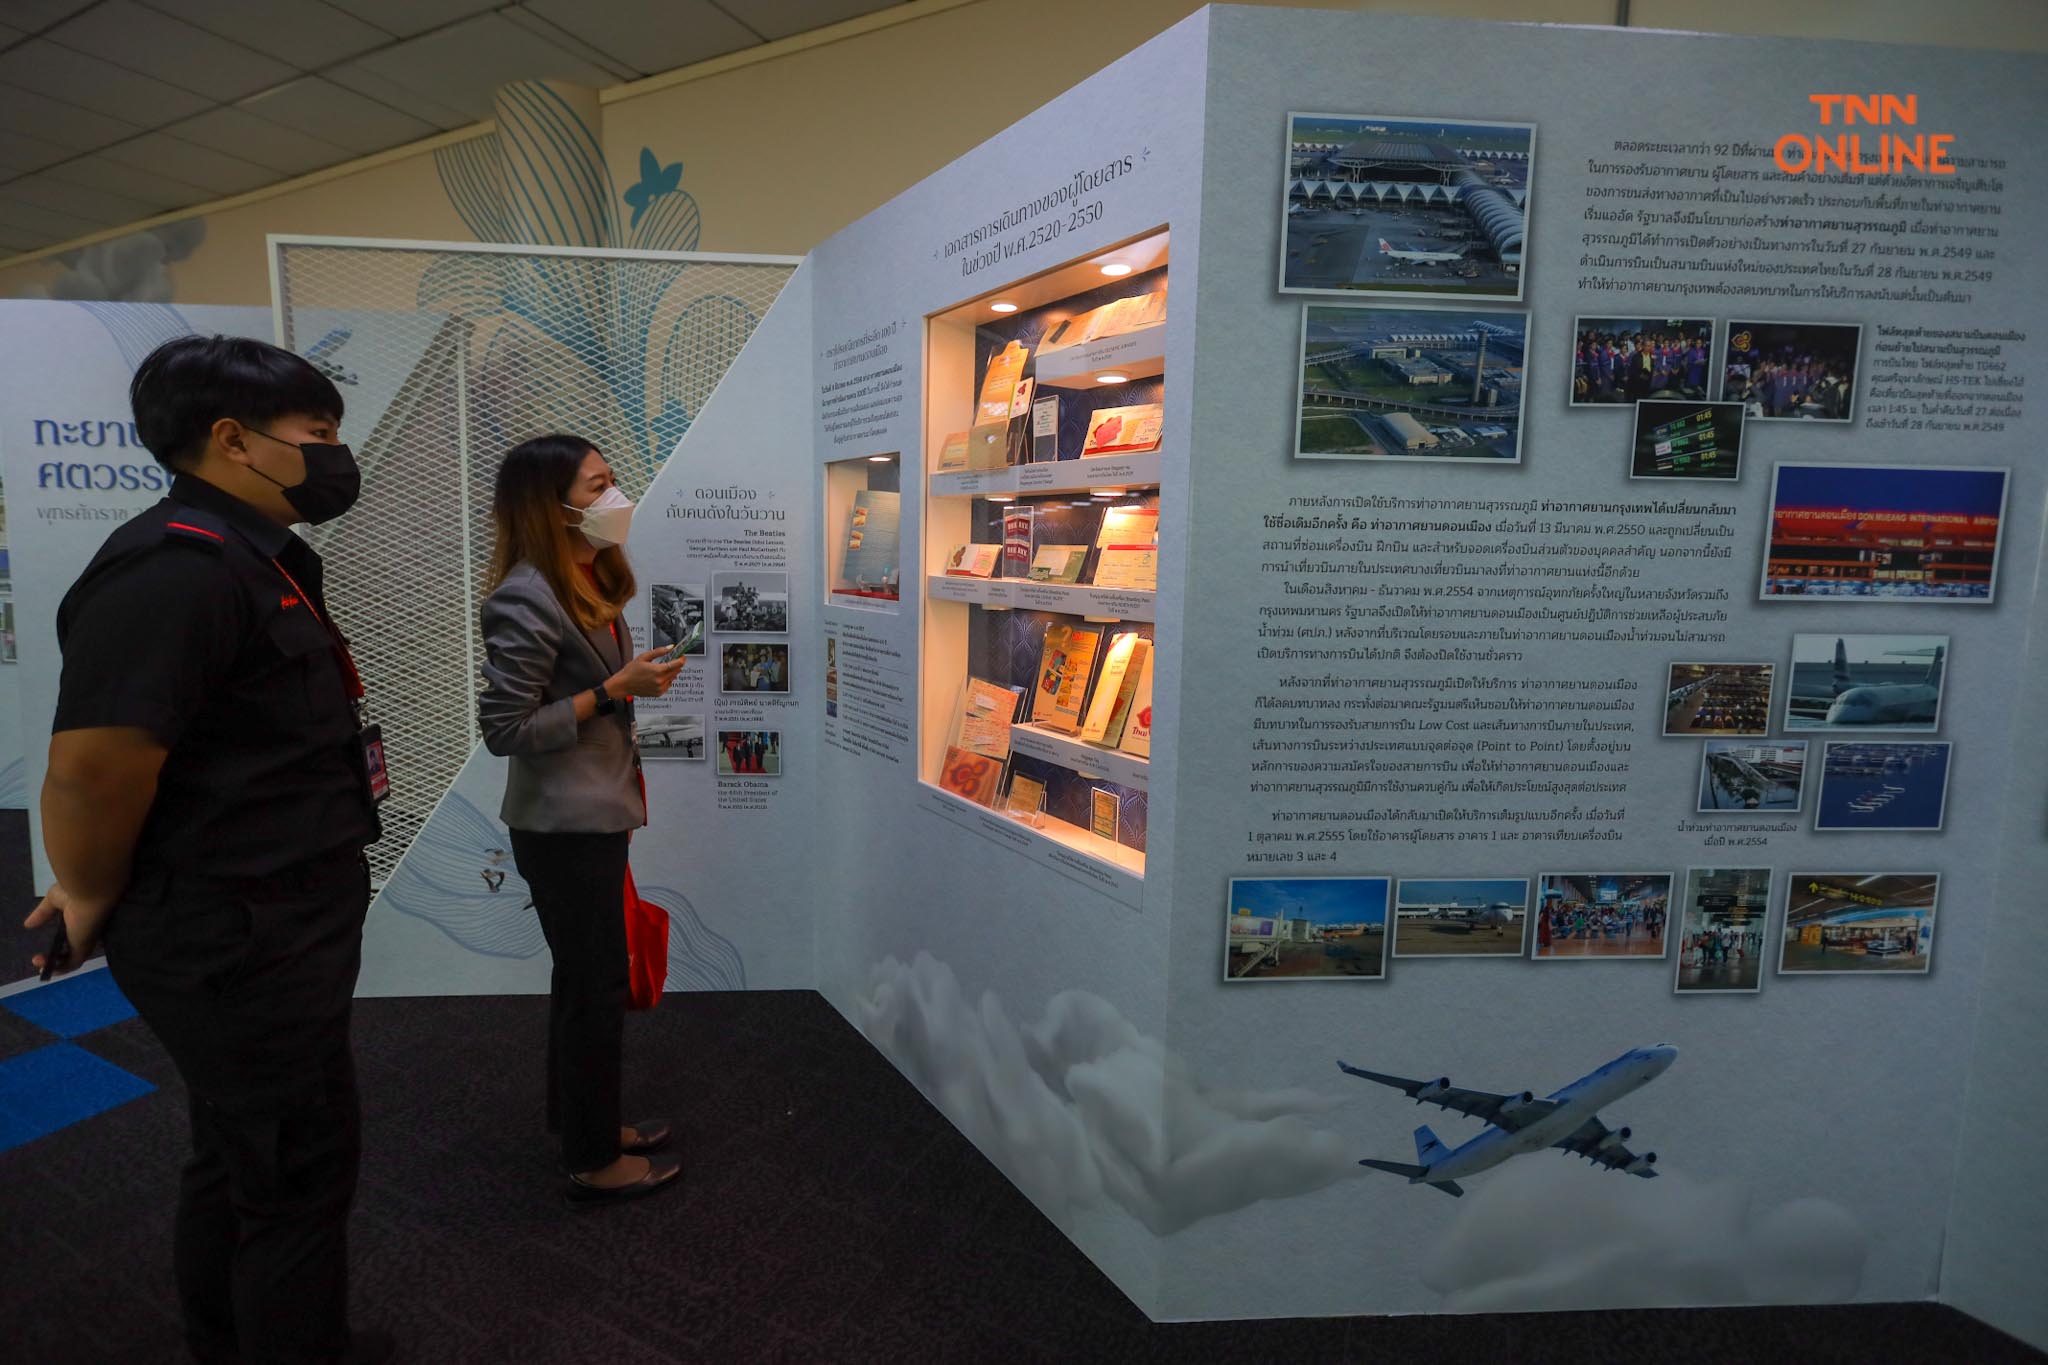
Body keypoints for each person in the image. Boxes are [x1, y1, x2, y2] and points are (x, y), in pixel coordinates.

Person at [24, 336, 391, 1363]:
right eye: (316, 436)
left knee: (241, 1154)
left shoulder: (250, 558)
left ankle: (231, 1339)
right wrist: (89, 889)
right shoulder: (175, 569)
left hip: (271, 919)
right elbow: (95, 769)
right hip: (237, 933)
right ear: (234, 440)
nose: (333, 457)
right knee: (296, 1172)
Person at [478, 434, 686, 1206]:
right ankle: (594, 1159)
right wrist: (610, 692)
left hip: (593, 813)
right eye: (598, 486)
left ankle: (583, 1124)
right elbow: (505, 728)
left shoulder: (585, 575)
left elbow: (588, 689)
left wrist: (628, 684)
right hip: (562, 825)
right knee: (595, 983)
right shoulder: (526, 594)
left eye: (612, 479)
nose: (614, 497)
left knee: (585, 978)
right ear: (552, 504)